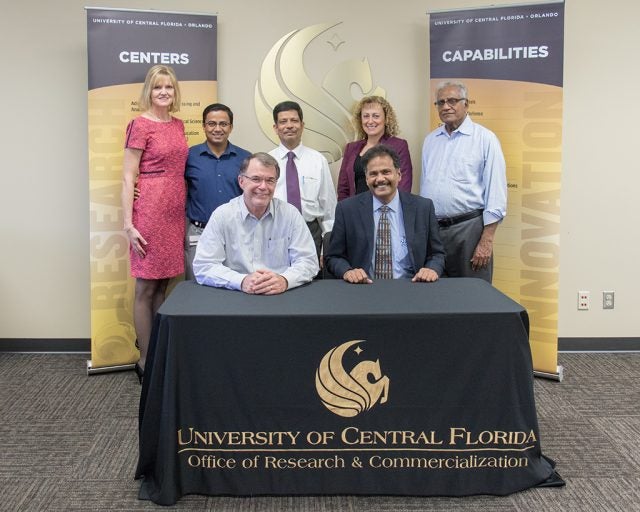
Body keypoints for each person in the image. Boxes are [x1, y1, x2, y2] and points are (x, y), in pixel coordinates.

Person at [121, 65, 188, 380]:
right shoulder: (139, 125)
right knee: (146, 287)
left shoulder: (178, 125)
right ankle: (145, 361)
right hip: (148, 211)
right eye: (158, 87)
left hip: (174, 213)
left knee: (163, 284)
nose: (164, 92)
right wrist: (128, 223)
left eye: (169, 88)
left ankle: (158, 354)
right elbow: (127, 176)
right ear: (149, 90)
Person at [193, 152, 319, 294]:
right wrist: (241, 281)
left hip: (280, 295)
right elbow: (204, 266)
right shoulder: (222, 216)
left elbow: (308, 261)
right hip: (235, 295)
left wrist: (284, 280)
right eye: (256, 179)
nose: (263, 186)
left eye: (270, 180)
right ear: (241, 181)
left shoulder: (290, 215)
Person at [420, 81, 507, 283]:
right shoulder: (431, 141)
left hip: (469, 231)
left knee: (474, 297)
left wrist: (486, 240)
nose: (446, 106)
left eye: (452, 100)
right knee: (435, 296)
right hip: (434, 231)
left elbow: (496, 193)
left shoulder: (485, 139)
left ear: (466, 104)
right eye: (440, 102)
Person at [325, 145, 445, 283]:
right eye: (373, 174)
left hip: (411, 286)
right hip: (364, 288)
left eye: (386, 172)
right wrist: (348, 272)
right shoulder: (347, 209)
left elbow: (437, 254)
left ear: (399, 175)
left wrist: (431, 269)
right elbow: (333, 257)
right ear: (366, 178)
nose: (380, 179)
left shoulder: (423, 207)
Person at [184, 103, 251, 280]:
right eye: (212, 124)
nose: (217, 129)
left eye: (223, 124)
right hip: (199, 233)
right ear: (204, 126)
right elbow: (173, 187)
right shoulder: (189, 156)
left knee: (237, 285)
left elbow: (254, 194)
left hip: (237, 233)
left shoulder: (246, 158)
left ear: (231, 127)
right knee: (197, 288)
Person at [268, 101, 336, 261]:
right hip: (274, 231)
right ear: (275, 128)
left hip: (311, 232)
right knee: (276, 280)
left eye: (294, 120)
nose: (289, 125)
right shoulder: (266, 161)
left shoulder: (318, 160)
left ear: (302, 125)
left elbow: (329, 209)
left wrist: (326, 247)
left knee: (312, 281)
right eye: (283, 122)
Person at [337, 96, 412, 201]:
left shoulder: (399, 146)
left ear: (386, 119)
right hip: (354, 212)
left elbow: (403, 186)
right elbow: (343, 188)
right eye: (366, 116)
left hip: (385, 212)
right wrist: (345, 212)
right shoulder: (351, 148)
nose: (370, 121)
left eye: (376, 116)